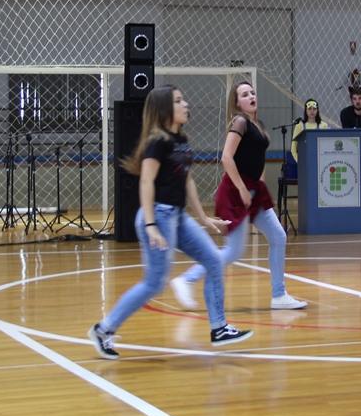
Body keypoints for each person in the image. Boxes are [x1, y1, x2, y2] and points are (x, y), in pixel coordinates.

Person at [88, 85, 253, 360]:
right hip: (158, 216)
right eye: (178, 101)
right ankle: (103, 329)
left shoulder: (181, 139)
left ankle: (219, 328)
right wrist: (151, 225)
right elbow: (146, 181)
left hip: (178, 216)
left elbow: (187, 180)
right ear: (165, 108)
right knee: (154, 284)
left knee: (214, 260)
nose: (185, 104)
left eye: (183, 99)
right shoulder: (157, 141)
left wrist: (203, 217)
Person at [170, 80, 307, 311]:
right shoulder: (240, 122)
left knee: (278, 236)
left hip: (253, 192)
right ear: (236, 103)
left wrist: (259, 187)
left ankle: (279, 295)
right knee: (233, 251)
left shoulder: (258, 124)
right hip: (235, 192)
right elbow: (226, 157)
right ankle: (186, 279)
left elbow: (257, 158)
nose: (251, 96)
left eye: (252, 92)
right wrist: (243, 189)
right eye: (244, 94)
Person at [290, 98, 325, 164]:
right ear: (305, 110)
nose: (312, 111)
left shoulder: (324, 125)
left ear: (317, 110)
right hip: (305, 161)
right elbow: (293, 148)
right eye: (309, 109)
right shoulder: (299, 126)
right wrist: (300, 162)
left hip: (320, 161)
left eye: (314, 109)